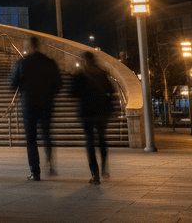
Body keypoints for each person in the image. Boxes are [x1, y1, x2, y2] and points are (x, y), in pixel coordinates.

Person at [8, 36, 62, 180]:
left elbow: (12, 84)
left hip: (28, 105)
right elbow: (58, 84)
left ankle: (35, 171)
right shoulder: (49, 63)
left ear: (28, 47)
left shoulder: (21, 63)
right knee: (47, 134)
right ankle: (50, 165)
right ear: (38, 46)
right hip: (46, 103)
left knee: (31, 138)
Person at [70, 51, 115, 184]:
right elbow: (111, 91)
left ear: (84, 61)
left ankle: (95, 174)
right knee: (102, 139)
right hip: (102, 111)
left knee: (90, 142)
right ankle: (104, 167)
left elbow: (72, 92)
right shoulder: (102, 73)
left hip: (87, 112)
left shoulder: (80, 75)